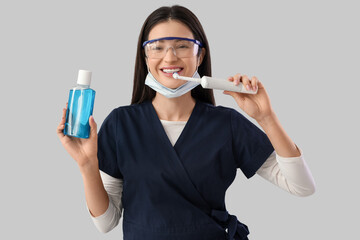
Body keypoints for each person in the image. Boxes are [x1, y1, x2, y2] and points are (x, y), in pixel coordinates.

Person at [57, 5, 315, 240]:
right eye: (157, 47)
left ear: (200, 56)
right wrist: (87, 165)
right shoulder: (121, 123)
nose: (169, 58)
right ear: (145, 57)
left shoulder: (227, 124)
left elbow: (302, 187)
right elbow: (106, 223)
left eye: (181, 46)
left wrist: (266, 118)